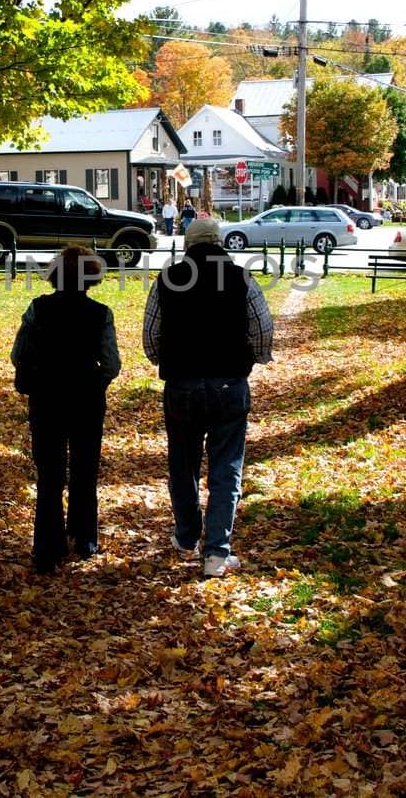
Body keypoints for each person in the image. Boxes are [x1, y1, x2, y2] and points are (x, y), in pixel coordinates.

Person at [142, 217, 273, 578]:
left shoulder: (168, 278)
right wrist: (256, 357)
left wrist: (166, 359)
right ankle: (216, 552)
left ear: (188, 245)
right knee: (226, 466)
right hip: (230, 381)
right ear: (219, 243)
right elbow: (262, 327)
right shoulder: (241, 277)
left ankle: (186, 537)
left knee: (182, 464)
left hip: (182, 383)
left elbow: (151, 334)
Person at [11, 246, 121, 574]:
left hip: (46, 397)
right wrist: (95, 381)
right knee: (85, 469)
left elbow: (19, 355)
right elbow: (111, 363)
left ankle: (47, 547)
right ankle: (85, 538)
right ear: (91, 277)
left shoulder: (38, 309)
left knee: (50, 472)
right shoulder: (100, 313)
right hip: (86, 398)